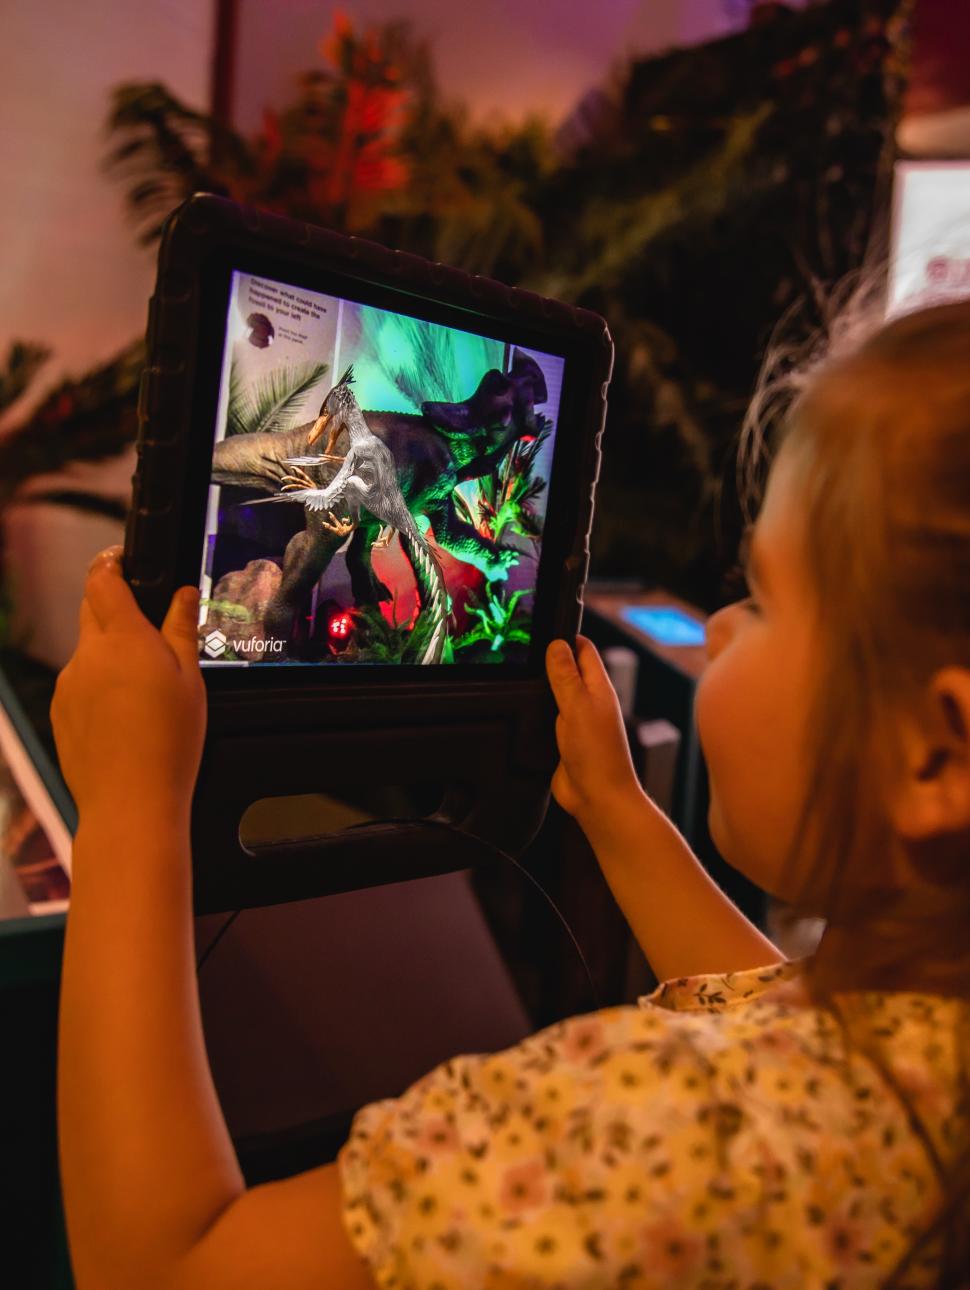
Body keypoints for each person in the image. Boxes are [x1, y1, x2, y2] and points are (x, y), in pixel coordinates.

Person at [53, 300, 970, 1289]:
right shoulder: (914, 1065)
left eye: (763, 597)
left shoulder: (655, 1138)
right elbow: (777, 1015)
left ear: (937, 756)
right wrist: (620, 813)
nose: (719, 631)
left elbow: (163, 1270)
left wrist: (129, 809)